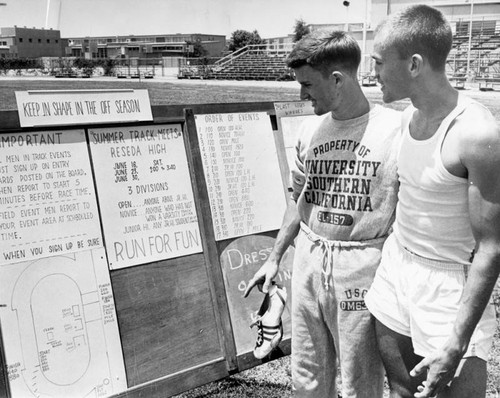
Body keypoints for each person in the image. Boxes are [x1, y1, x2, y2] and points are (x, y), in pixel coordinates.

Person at [244, 30, 402, 398]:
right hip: (310, 260)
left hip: (363, 266)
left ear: (336, 79)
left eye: (307, 85)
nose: (302, 95)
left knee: (360, 380)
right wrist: (275, 256)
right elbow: (298, 199)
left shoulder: (395, 131)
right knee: (307, 376)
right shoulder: (310, 129)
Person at [365, 5, 500, 398]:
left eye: (378, 63)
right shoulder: (408, 117)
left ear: (414, 65)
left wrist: (458, 342)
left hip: (447, 286)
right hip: (397, 267)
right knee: (403, 391)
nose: (372, 73)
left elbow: (492, 247)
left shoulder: (476, 133)